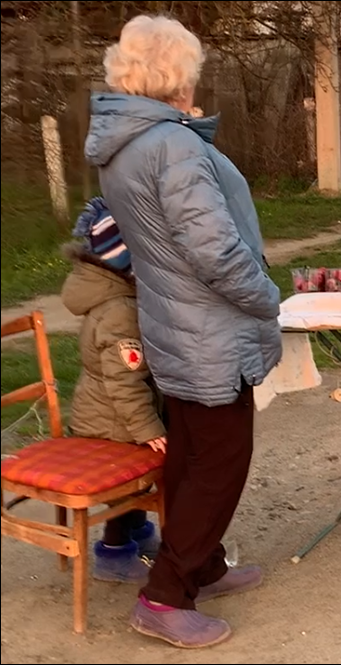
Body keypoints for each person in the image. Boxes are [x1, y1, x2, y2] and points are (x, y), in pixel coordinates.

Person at [84, 14, 283, 649]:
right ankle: (165, 595)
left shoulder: (128, 142)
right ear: (177, 74)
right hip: (209, 329)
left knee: (193, 454)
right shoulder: (170, 144)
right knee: (222, 461)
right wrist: (266, 296)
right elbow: (214, 250)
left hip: (176, 322)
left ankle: (202, 564)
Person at [61, 197, 167, 584]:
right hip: (110, 419)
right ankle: (114, 549)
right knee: (131, 480)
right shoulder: (120, 309)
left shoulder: (108, 295)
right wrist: (149, 429)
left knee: (138, 472)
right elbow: (124, 381)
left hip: (100, 408)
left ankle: (138, 532)